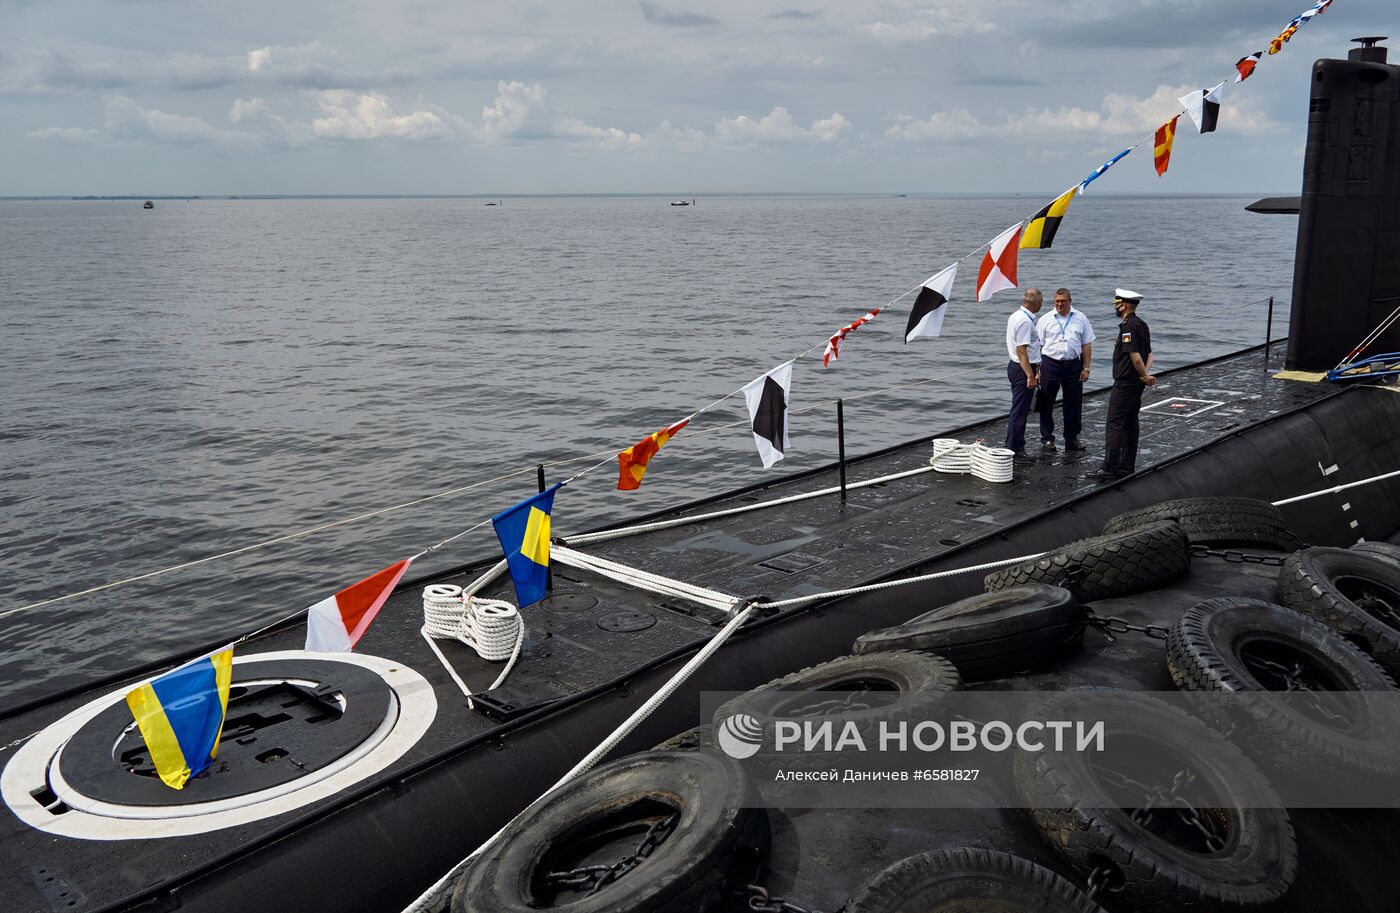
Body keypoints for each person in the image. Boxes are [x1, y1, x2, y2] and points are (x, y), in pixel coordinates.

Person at [1089, 288, 1155, 479]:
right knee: (1131, 422)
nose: (1116, 308)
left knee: (1115, 422)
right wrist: (1145, 376)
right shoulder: (1142, 325)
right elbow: (1150, 355)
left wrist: (1143, 374)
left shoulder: (1128, 327)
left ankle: (1109, 467)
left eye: (1117, 304)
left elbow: (1135, 357)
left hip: (1126, 382)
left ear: (1123, 305)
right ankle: (1127, 465)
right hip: (1136, 383)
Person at [1035, 287, 1095, 452]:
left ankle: (1072, 438)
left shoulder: (1080, 318)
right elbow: (1037, 346)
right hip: (1050, 364)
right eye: (1057, 301)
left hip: (1073, 365)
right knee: (1046, 402)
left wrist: (1087, 368)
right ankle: (1047, 438)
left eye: (1063, 301)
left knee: (1074, 403)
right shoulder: (1045, 319)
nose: (1059, 304)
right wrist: (1037, 371)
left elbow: (1086, 344)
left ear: (1070, 301)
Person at [1004, 288, 1043, 458]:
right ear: (1036, 303)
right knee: (1019, 410)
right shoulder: (1026, 322)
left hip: (1016, 366)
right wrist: (1030, 375)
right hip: (1023, 369)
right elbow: (1022, 351)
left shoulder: (1015, 316)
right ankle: (1013, 449)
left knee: (1020, 408)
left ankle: (1018, 443)